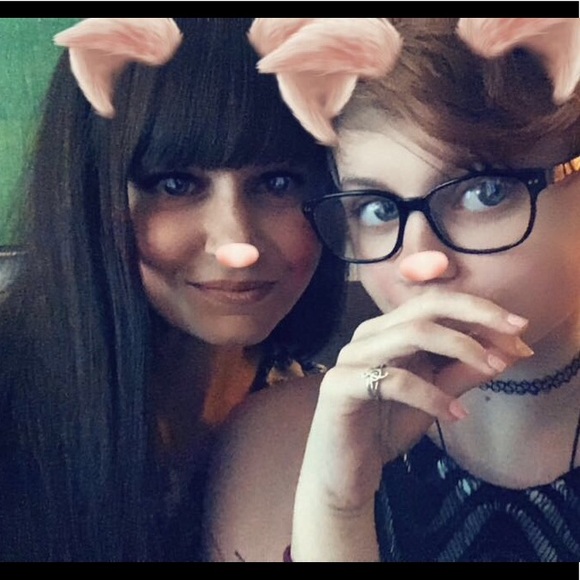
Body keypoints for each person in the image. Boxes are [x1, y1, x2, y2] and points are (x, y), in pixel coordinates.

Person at [205, 18, 580, 562]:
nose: (421, 264)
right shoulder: (278, 444)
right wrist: (337, 510)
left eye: (485, 192)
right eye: (378, 210)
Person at [0, 17, 346, 562]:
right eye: (176, 184)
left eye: (278, 182)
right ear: (89, 194)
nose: (238, 245)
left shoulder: (318, 416)